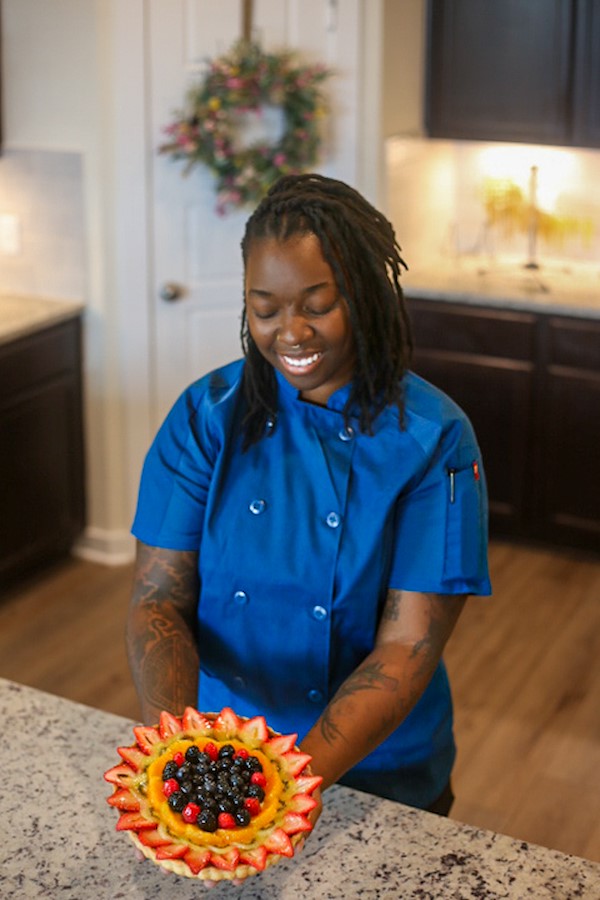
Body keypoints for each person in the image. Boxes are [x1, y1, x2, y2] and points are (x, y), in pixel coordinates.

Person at [127, 173, 491, 826]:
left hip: (382, 773)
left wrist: (286, 784)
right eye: (264, 309)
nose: (290, 332)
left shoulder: (435, 441)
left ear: (366, 295)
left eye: (317, 304)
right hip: (219, 752)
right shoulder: (207, 417)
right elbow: (158, 598)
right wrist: (179, 747)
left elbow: (408, 645)